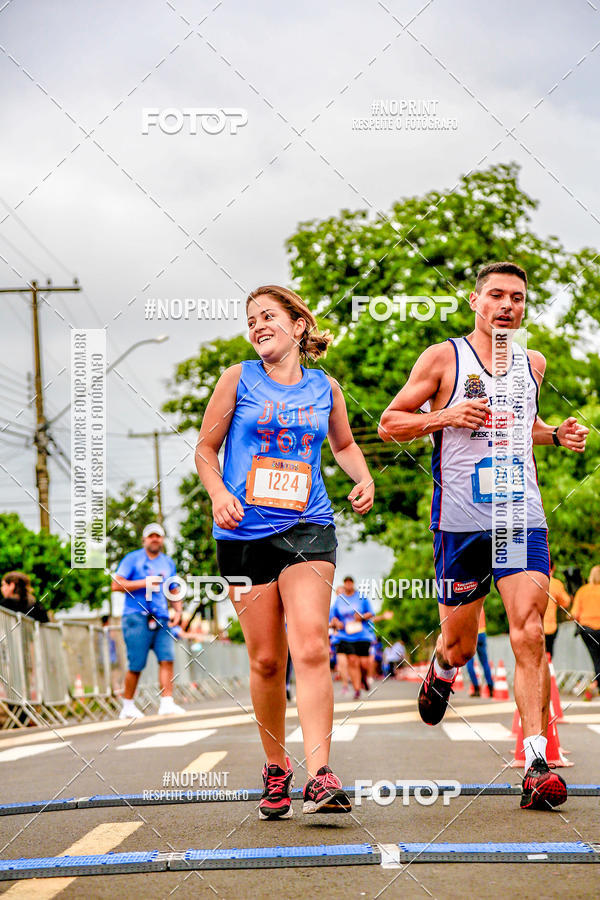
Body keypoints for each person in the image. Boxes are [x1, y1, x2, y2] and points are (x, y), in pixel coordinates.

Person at [379, 261, 589, 810]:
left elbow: (525, 431)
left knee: (527, 633)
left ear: (524, 307)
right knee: (462, 642)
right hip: (460, 522)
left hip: (521, 517)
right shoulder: (443, 358)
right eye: (495, 295)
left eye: (517, 298)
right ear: (475, 301)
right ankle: (443, 667)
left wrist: (556, 435)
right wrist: (445, 415)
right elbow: (389, 422)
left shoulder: (533, 364)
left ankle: (537, 763)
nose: (506, 306)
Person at [196, 284, 374, 820]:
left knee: (313, 646)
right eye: (251, 320)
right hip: (242, 535)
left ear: (298, 325)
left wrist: (362, 476)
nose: (257, 326)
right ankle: (277, 767)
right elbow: (206, 449)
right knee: (268, 660)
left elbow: (342, 445)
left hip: (308, 527)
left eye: (268, 316)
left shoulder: (326, 388)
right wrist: (219, 493)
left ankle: (320, 774)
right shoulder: (238, 378)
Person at [111, 523, 184, 719]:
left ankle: (167, 702)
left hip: (161, 616)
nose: (155, 539)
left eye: (158, 536)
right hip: (136, 616)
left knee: (167, 658)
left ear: (162, 540)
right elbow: (116, 584)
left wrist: (178, 611)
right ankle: (127, 705)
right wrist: (144, 583)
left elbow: (174, 588)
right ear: (144, 539)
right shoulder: (132, 559)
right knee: (136, 663)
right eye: (151, 536)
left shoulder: (168, 562)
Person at [329, 576, 375, 699]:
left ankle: (363, 678)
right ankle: (357, 689)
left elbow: (371, 613)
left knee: (364, 664)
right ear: (344, 585)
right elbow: (333, 617)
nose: (348, 585)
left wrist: (362, 616)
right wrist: (336, 622)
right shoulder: (339, 600)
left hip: (362, 634)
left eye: (350, 583)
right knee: (353, 661)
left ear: (353, 584)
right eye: (346, 583)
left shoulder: (362, 597)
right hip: (346, 635)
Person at [572, 565, 600, 700]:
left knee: (595, 658)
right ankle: (596, 686)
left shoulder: (582, 591)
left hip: (587, 630)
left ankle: (595, 686)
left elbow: (574, 614)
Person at [465, 608, 494, 697]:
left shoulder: (468, 604)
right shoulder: (480, 603)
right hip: (481, 633)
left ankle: (476, 689)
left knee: (469, 663)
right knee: (485, 662)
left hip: (471, 634)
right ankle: (491, 688)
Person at [544, 564, 571, 658]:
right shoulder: (555, 584)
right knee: (548, 655)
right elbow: (565, 602)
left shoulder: (530, 581)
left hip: (530, 626)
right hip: (549, 627)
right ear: (553, 568)